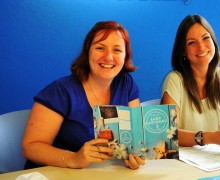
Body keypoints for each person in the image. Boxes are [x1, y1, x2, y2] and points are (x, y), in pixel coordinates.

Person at [22, 21, 145, 170]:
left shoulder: (126, 83)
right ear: (87, 53)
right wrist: (73, 158)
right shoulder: (61, 90)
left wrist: (134, 155)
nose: (108, 57)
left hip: (101, 176)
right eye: (100, 48)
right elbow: (30, 147)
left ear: (125, 56)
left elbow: (136, 137)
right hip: (53, 178)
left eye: (117, 50)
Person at [161, 14, 220, 148]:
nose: (201, 47)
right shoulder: (174, 80)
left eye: (205, 38)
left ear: (213, 41)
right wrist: (211, 137)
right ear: (183, 51)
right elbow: (169, 134)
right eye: (191, 42)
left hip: (216, 159)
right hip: (184, 162)